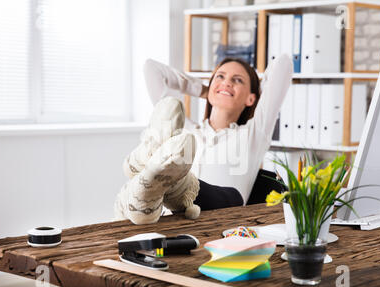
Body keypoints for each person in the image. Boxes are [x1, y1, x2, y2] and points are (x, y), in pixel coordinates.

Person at [114, 55, 293, 224]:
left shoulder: (254, 134)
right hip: (175, 222)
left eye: (237, 80)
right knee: (169, 117)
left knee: (228, 195)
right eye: (220, 77)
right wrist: (204, 90)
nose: (227, 82)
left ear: (251, 98)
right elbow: (151, 69)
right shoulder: (187, 130)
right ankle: (147, 182)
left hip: (222, 217)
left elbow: (283, 64)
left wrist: (232, 90)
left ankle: (157, 177)